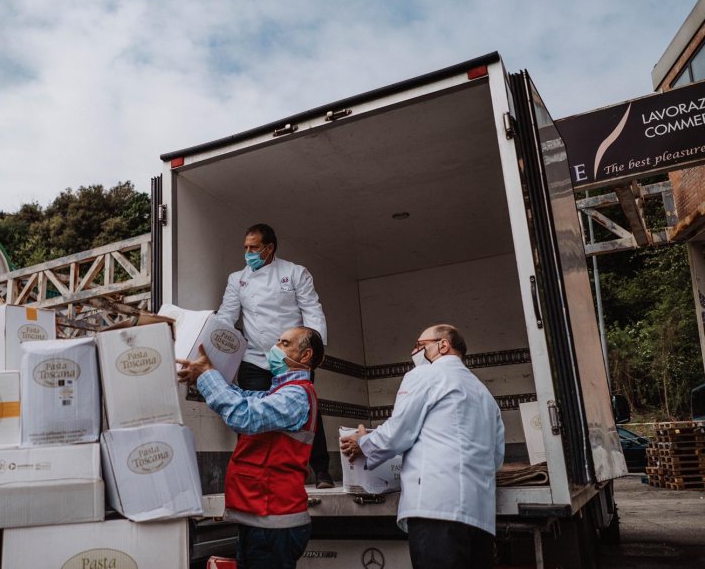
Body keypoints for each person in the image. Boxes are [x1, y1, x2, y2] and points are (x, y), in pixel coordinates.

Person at [340, 324, 505, 569]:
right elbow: (497, 458)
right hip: (480, 516)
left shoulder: (425, 375)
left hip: (436, 510)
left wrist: (363, 443)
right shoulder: (484, 394)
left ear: (443, 345)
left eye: (419, 345)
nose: (414, 351)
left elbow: (398, 431)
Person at [177, 326, 324, 569]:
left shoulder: (296, 396)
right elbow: (243, 397)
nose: (275, 348)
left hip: (273, 523)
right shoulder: (279, 392)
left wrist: (207, 376)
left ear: (305, 356)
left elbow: (243, 415)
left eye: (284, 344)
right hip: (260, 520)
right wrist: (206, 376)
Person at [216, 223, 333, 488]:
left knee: (306, 414)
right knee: (254, 415)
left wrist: (315, 352)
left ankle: (321, 470)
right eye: (246, 247)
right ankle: (256, 475)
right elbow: (227, 315)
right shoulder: (238, 279)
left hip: (291, 359)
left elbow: (312, 310)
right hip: (255, 358)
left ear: (269, 248)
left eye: (254, 247)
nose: (248, 252)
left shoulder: (294, 273)